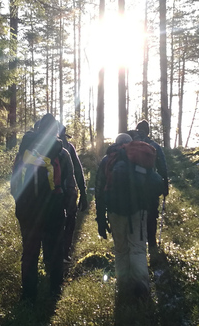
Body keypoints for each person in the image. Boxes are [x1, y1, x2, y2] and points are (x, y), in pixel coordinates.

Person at [11, 114, 76, 301]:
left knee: (30, 252)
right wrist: (68, 208)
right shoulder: (61, 153)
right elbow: (70, 184)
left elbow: (14, 182)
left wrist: (21, 202)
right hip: (54, 211)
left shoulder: (25, 152)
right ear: (55, 131)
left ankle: (28, 296)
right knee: (54, 252)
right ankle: (55, 293)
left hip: (27, 210)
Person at [95, 132, 158, 301]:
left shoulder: (107, 160)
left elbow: (99, 190)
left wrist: (100, 218)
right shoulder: (139, 158)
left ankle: (123, 286)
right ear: (132, 144)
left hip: (115, 211)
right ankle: (141, 286)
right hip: (138, 210)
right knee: (137, 248)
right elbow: (151, 185)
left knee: (121, 249)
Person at [133, 119, 169, 248]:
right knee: (152, 214)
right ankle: (152, 244)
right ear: (148, 132)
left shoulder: (131, 145)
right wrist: (165, 185)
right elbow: (162, 167)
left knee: (136, 214)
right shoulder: (154, 146)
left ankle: (137, 243)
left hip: (134, 186)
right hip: (151, 185)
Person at [59, 124, 88, 263]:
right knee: (69, 222)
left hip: (51, 194)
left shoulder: (42, 147)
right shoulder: (68, 147)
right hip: (69, 192)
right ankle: (64, 253)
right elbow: (78, 170)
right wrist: (83, 192)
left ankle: (51, 255)